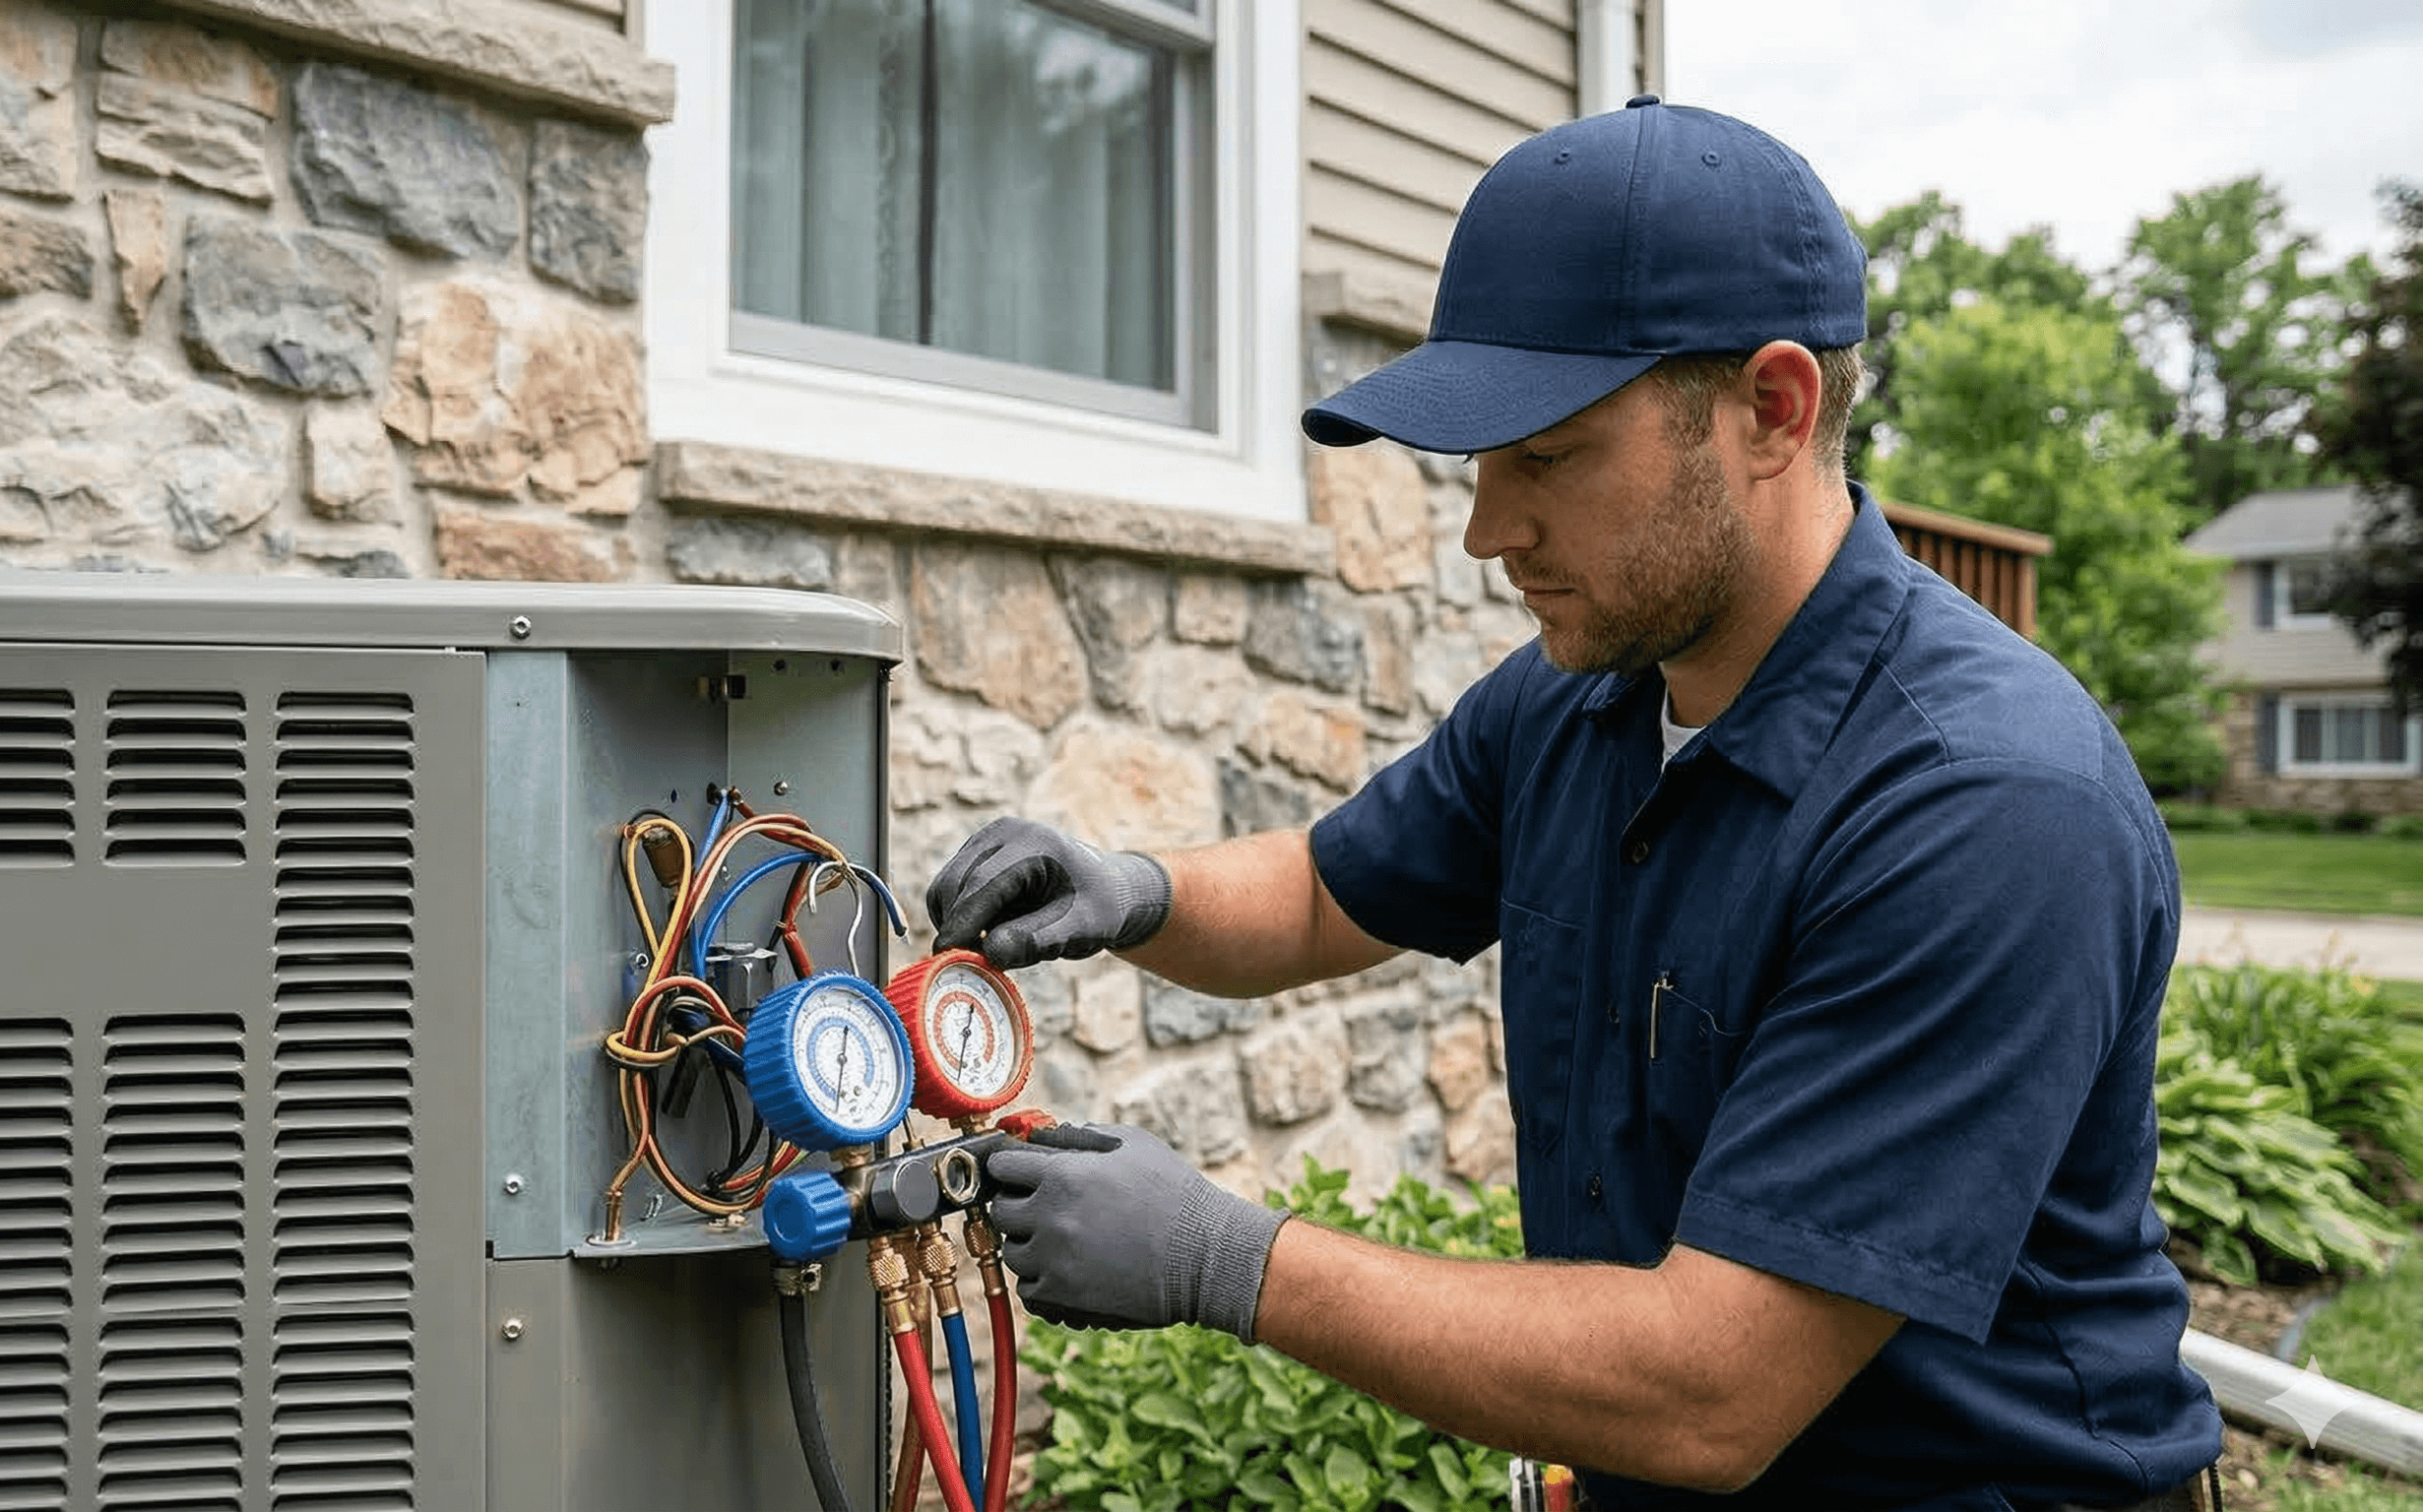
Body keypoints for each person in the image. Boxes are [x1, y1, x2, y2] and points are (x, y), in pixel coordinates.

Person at [931, 98, 2223, 1511]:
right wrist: (1131, 891)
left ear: (1773, 412)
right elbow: (1320, 890)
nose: (1487, 528)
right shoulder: (1582, 698)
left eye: (1544, 455)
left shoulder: (1983, 807)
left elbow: (1712, 1388)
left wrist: (1224, 1259)